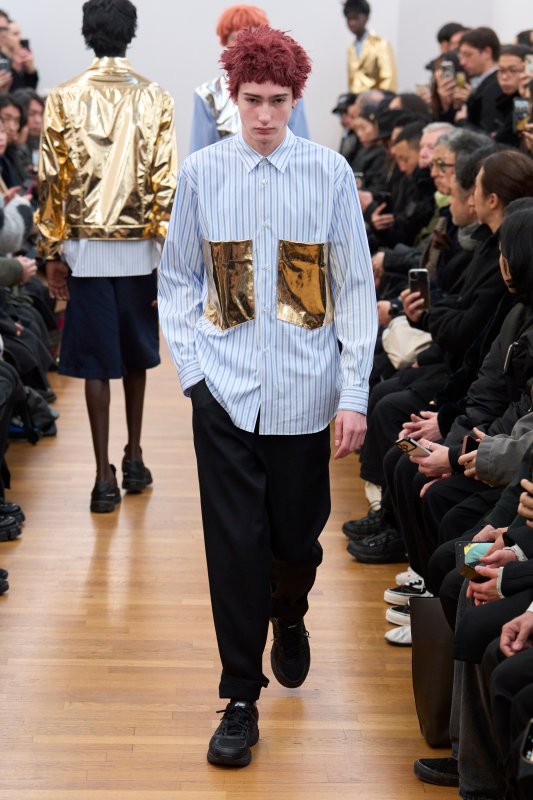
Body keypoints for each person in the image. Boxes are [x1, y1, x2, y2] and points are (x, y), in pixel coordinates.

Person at [159, 25, 376, 768]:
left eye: (277, 100)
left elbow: (353, 288)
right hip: (223, 392)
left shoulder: (328, 173)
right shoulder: (202, 173)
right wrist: (194, 376)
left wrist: (354, 394)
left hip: (304, 393)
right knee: (234, 547)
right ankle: (239, 697)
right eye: (251, 99)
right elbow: (178, 279)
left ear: (294, 99)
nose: (262, 115)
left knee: (296, 539)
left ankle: (291, 608)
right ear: (233, 95)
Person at [36, 0, 177, 512]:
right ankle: (134, 457)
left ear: (87, 33)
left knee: (97, 363)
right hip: (140, 249)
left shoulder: (64, 96)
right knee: (137, 355)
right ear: (129, 32)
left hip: (85, 248)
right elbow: (165, 179)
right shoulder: (155, 96)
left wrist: (51, 247)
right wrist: (167, 248)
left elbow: (53, 178)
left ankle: (102, 480)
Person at [189, 4, 309, 153]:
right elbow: (199, 151)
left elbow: (302, 146)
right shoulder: (207, 94)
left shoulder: (286, 86)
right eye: (236, 38)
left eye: (250, 36)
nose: (243, 44)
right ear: (225, 41)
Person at [343, 0, 396, 94]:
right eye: (349, 19)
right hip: (355, 99)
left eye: (355, 18)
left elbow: (389, 79)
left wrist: (380, 100)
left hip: (375, 99)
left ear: (366, 17)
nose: (352, 23)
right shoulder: (350, 48)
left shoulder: (380, 44)